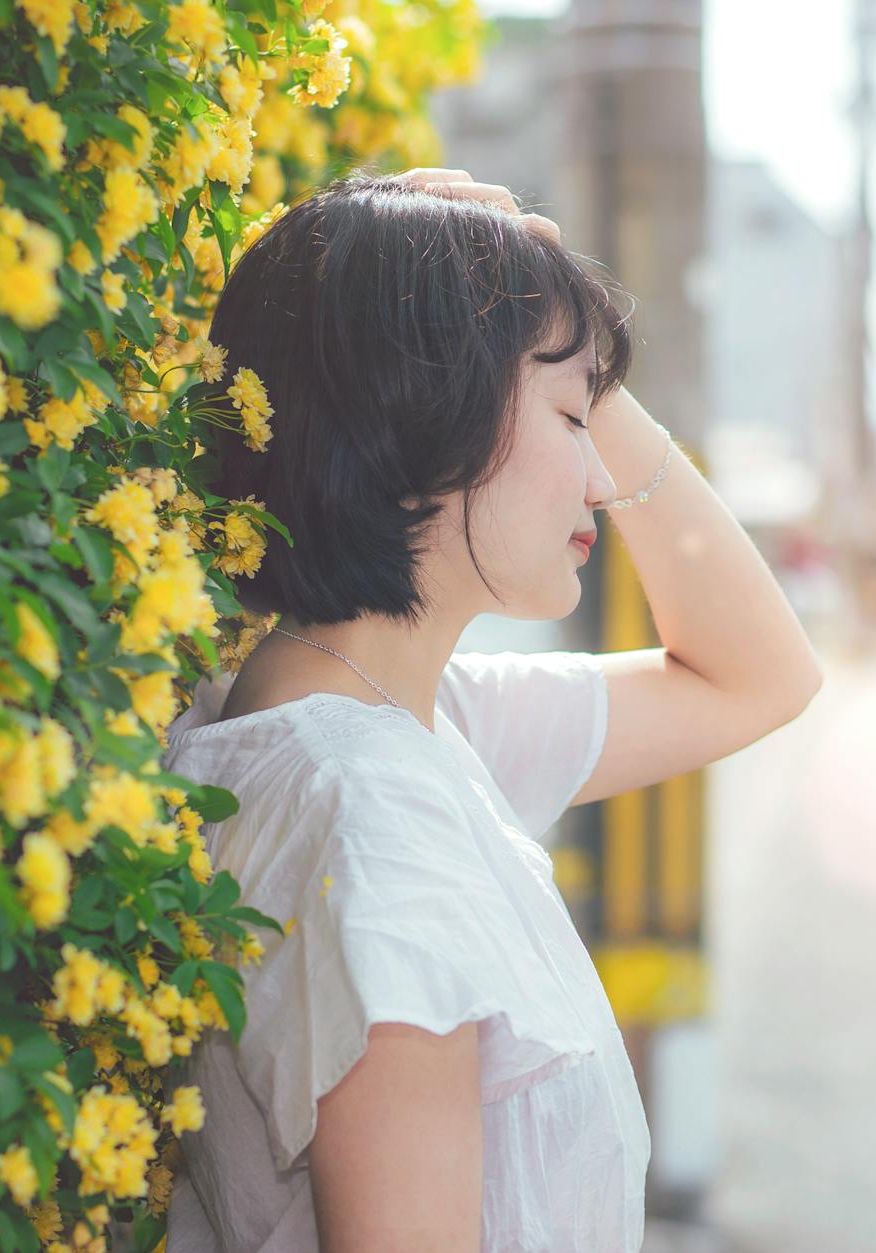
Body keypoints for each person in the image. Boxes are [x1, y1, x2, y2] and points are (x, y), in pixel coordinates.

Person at [160, 168, 823, 1253]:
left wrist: (568, 353)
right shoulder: (371, 818)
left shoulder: (399, 726)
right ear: (426, 407)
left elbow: (760, 676)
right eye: (569, 415)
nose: (603, 480)